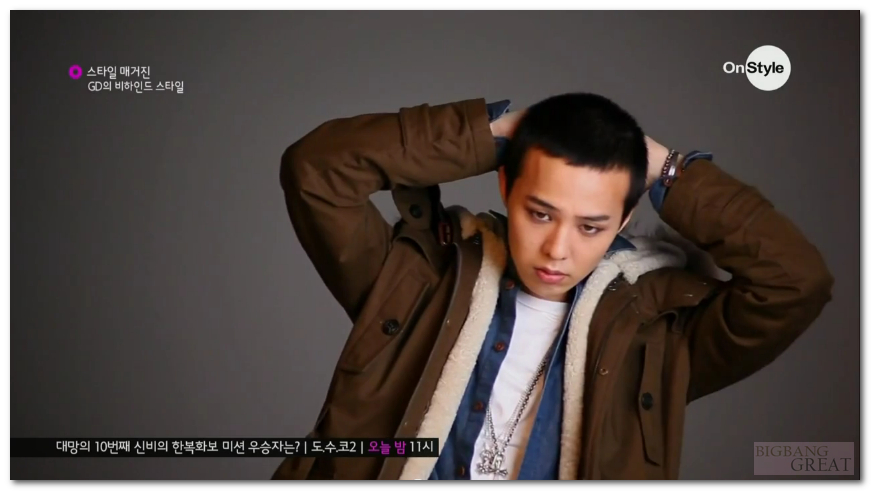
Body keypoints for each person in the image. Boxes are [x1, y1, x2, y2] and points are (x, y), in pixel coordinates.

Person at [272, 93, 834, 480]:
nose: (558, 250)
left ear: (625, 217)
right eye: (540, 214)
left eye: (590, 226)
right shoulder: (422, 281)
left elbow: (796, 281)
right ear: (505, 186)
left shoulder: (658, 337)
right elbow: (315, 169)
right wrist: (489, 134)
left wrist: (669, 171)